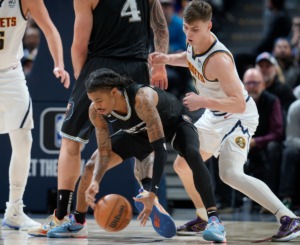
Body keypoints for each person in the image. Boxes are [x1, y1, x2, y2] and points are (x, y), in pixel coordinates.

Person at [149, 0, 300, 242]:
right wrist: (165, 58)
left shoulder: (220, 60)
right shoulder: (193, 42)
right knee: (182, 164)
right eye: (186, 27)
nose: (188, 34)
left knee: (229, 174)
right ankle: (203, 218)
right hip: (215, 115)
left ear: (209, 26)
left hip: (238, 116)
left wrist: (202, 102)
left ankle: (289, 218)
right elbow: (188, 59)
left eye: (195, 29)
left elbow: (238, 103)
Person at [28, 0, 169, 238]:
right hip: (137, 67)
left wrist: (82, 81)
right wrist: (160, 66)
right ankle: (147, 190)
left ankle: (62, 215)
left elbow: (79, 45)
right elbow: (160, 27)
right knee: (141, 139)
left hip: (101, 66)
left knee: (71, 141)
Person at [73, 68, 223, 242]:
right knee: (91, 165)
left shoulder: (141, 99)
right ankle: (77, 222)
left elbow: (159, 150)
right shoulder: (96, 111)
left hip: (174, 123)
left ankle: (214, 219)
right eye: (92, 100)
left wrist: (154, 193)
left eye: (99, 100)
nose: (96, 105)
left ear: (114, 92)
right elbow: (105, 152)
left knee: (192, 155)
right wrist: (96, 181)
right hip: (139, 132)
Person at [0, 0, 70, 231]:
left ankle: (14, 210)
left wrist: (59, 64)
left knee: (24, 142)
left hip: (10, 75)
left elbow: (49, 29)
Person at [244, 68, 284, 197]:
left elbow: (278, 132)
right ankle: (224, 202)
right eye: (248, 83)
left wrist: (257, 141)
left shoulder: (272, 101)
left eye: (255, 83)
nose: (251, 87)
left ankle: (270, 199)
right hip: (241, 142)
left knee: (274, 148)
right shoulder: (238, 101)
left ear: (263, 84)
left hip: (264, 144)